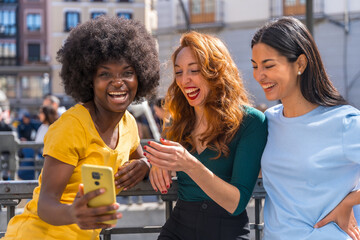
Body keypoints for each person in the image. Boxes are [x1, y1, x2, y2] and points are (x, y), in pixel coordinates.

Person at [2, 16, 159, 240]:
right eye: (105, 74)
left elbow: (138, 160)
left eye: (127, 72)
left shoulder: (129, 125)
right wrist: (74, 213)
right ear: (89, 80)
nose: (118, 82)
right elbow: (46, 204)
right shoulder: (71, 126)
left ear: (141, 76)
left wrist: (145, 163)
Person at [145, 31, 268, 240]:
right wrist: (157, 163)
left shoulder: (251, 122)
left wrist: (189, 164)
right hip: (178, 228)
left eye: (194, 70)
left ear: (216, 71)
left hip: (227, 231)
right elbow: (164, 158)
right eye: (179, 72)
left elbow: (236, 203)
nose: (185, 80)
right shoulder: (176, 122)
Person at [251, 16, 360, 240]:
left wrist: (349, 202)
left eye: (269, 65)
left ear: (300, 63)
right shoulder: (268, 121)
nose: (259, 75)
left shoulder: (344, 122)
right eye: (255, 66)